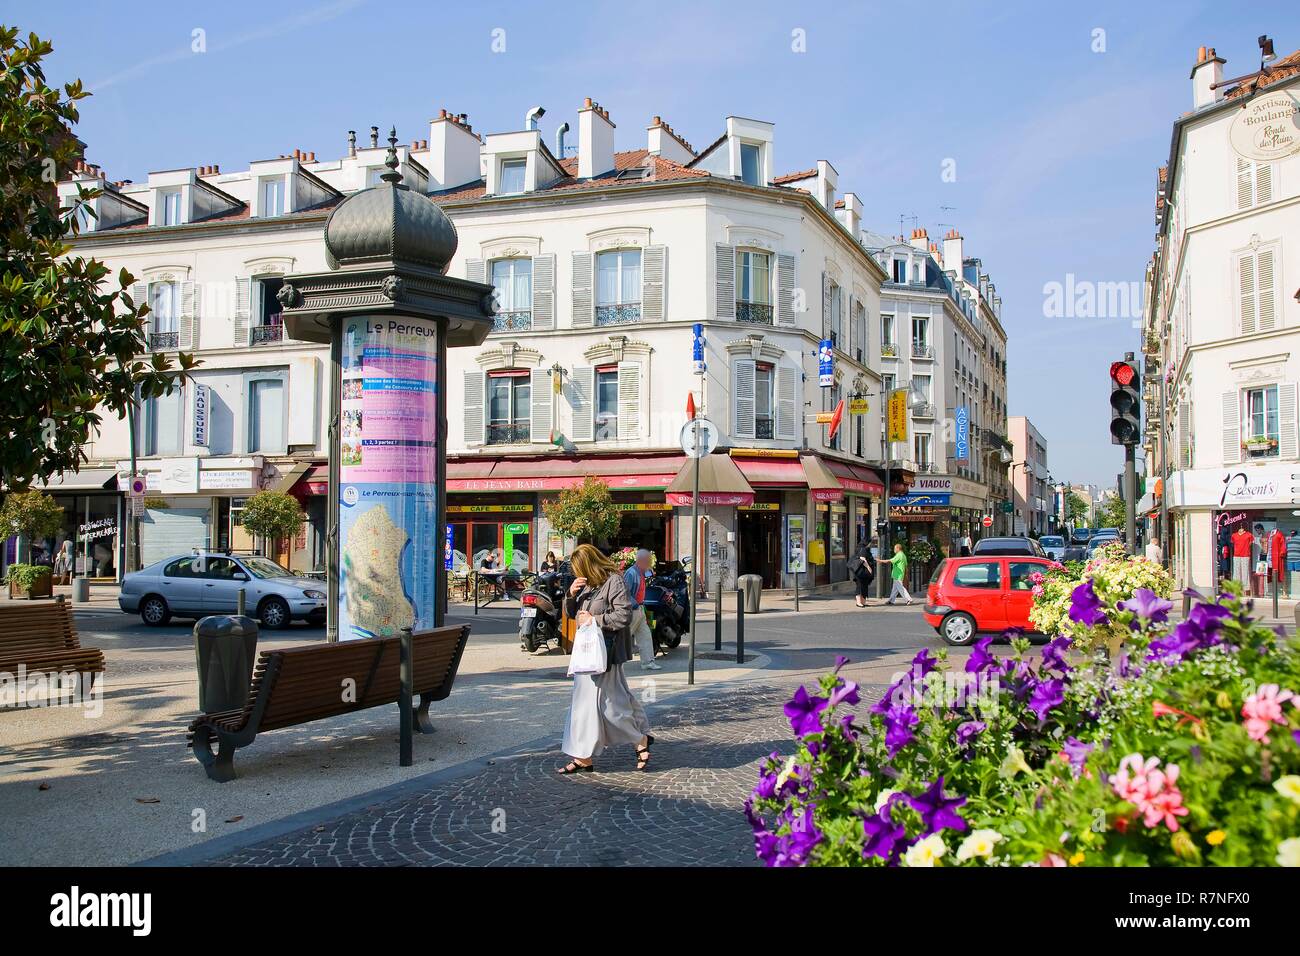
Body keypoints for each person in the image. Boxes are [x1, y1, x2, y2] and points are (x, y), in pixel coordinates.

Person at [558, 544, 654, 774]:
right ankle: (583, 756)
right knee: (589, 705)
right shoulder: (587, 583)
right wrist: (571, 595)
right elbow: (573, 614)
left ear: (589, 563)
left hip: (605, 654)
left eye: (579, 568)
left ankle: (639, 739)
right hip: (587, 654)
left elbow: (623, 615)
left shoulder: (614, 581)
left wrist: (594, 619)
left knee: (610, 705)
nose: (577, 573)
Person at [623, 549, 660, 670]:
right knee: (625, 636)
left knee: (645, 635)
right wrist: (634, 605)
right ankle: (615, 662)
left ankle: (648, 662)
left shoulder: (641, 572)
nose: (649, 564)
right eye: (647, 561)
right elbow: (625, 592)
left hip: (640, 608)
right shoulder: (631, 573)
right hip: (633, 609)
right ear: (640, 561)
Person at [851, 537, 875, 607]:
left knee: (864, 586)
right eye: (870, 543)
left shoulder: (862, 549)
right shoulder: (863, 549)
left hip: (862, 572)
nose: (871, 544)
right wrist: (869, 567)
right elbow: (863, 559)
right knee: (860, 586)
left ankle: (863, 602)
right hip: (861, 572)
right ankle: (859, 602)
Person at [1230, 524, 1253, 590]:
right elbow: (1232, 543)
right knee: (1236, 572)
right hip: (1236, 555)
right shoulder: (1234, 535)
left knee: (1245, 572)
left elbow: (1250, 543)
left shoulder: (1249, 535)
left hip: (1245, 555)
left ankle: (1245, 588)